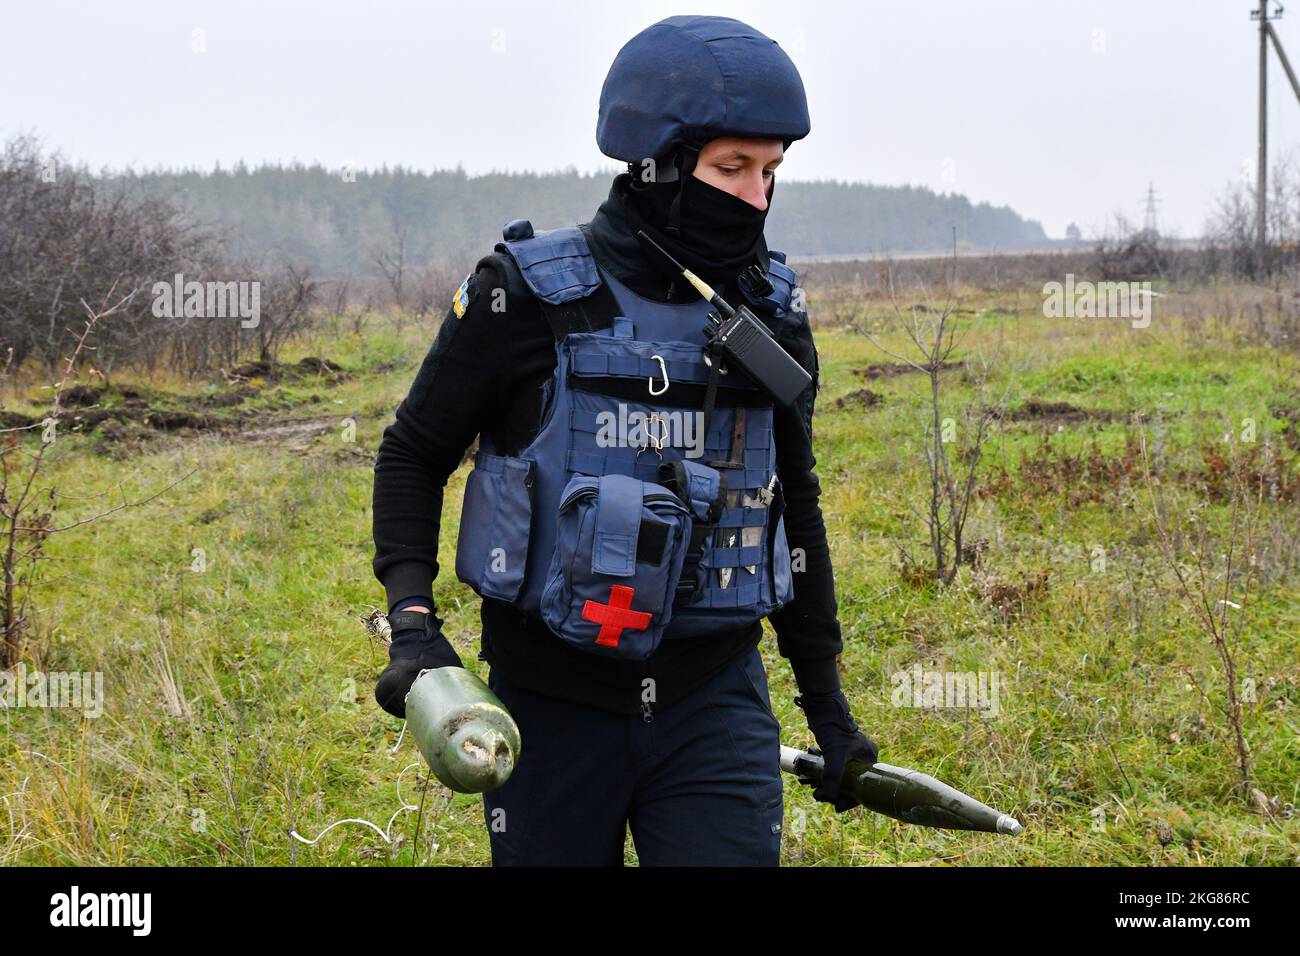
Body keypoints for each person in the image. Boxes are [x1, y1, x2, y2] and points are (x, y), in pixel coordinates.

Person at [371, 14, 877, 867]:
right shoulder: (522, 297)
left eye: (772, 171)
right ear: (659, 163)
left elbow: (796, 506)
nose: (756, 195)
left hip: (714, 700)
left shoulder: (770, 315)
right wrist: (413, 624)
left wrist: (826, 704)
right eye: (732, 168)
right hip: (548, 706)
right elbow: (413, 454)